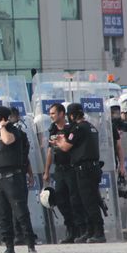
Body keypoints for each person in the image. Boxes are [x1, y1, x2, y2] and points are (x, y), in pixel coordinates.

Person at [51, 103, 106, 243]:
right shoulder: (90, 127)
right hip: (92, 168)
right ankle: (90, 231)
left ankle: (99, 233)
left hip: (85, 169)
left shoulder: (78, 128)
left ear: (72, 115)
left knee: (88, 202)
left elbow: (65, 147)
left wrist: (57, 142)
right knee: (88, 200)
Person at [0, 105, 38, 253]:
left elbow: (8, 140)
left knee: (20, 212)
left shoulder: (13, 131)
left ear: (1, 118)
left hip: (13, 177)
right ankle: (9, 247)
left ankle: (30, 245)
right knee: (2, 214)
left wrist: (3, 127)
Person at [43, 102, 84, 243]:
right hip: (59, 169)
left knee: (75, 200)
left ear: (61, 114)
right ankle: (70, 230)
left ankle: (81, 231)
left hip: (71, 168)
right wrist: (46, 171)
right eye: (50, 114)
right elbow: (50, 151)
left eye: (53, 113)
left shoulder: (70, 128)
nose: (51, 116)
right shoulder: (52, 130)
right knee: (60, 200)